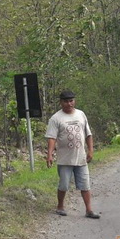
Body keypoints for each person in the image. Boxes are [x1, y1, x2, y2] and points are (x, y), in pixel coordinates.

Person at [44, 89, 99, 218]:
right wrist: (49, 155)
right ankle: (60, 206)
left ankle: (89, 210)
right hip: (65, 159)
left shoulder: (81, 114)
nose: (69, 104)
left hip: (81, 157)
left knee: (85, 184)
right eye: (66, 101)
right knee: (64, 184)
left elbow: (88, 134)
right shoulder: (56, 118)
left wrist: (91, 150)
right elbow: (52, 138)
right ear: (61, 102)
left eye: (71, 101)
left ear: (74, 101)